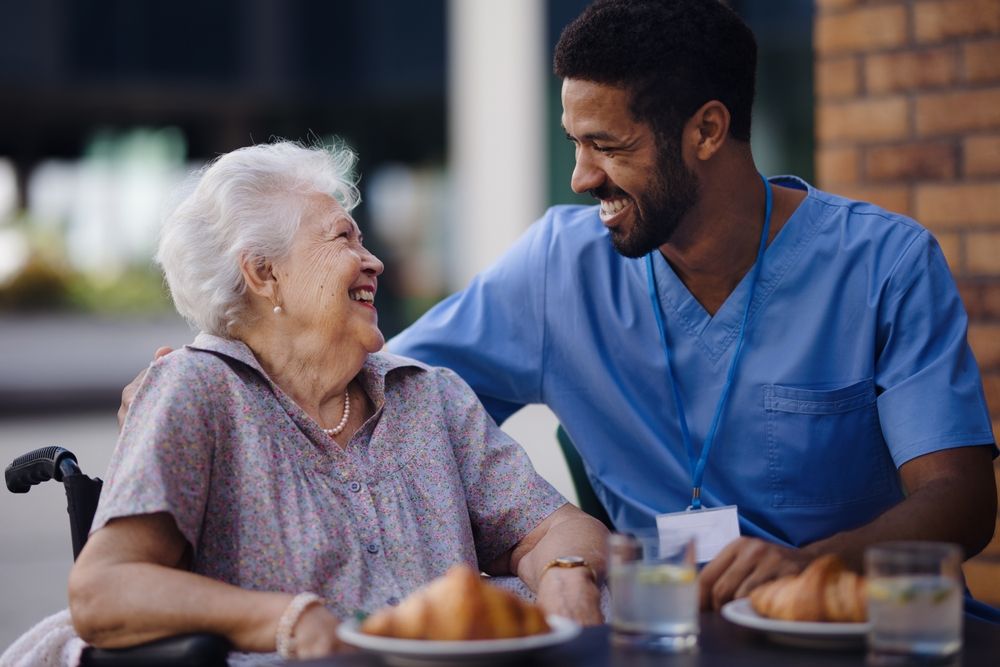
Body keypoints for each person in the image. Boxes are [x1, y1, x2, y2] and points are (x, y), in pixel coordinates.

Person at [387, 0, 998, 611]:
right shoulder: (555, 272)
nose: (580, 176)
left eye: (608, 145)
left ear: (706, 130)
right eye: (575, 143)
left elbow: (962, 502)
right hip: (668, 639)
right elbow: (385, 397)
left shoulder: (886, 264)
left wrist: (811, 565)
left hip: (869, 633)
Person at [68, 141, 606, 662]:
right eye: (343, 239)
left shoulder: (428, 395)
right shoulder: (197, 389)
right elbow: (104, 590)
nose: (372, 261)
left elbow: (556, 527)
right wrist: (289, 621)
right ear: (263, 273)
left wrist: (566, 574)